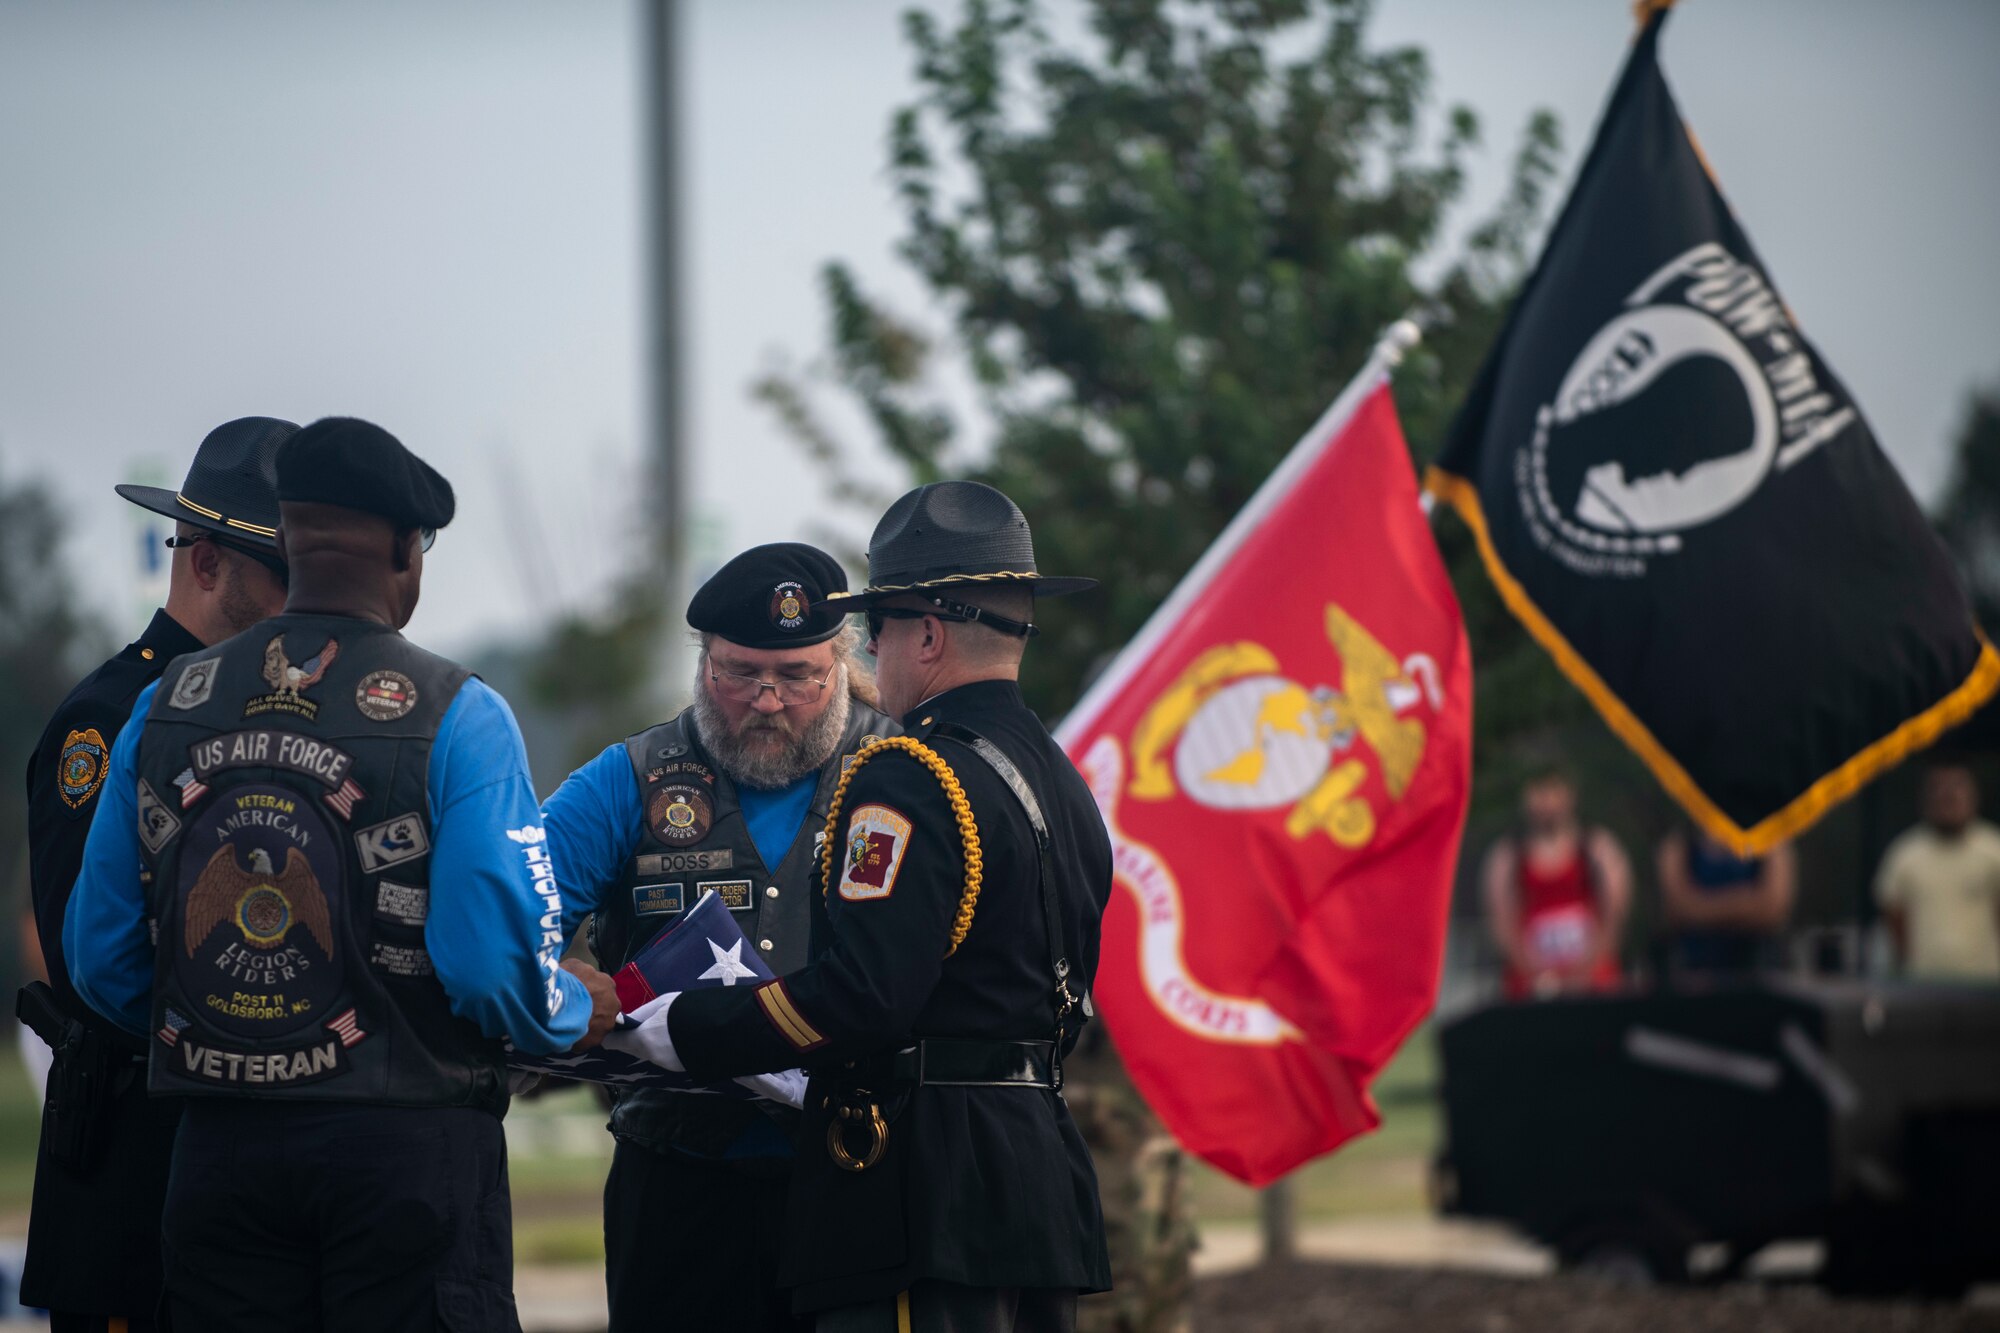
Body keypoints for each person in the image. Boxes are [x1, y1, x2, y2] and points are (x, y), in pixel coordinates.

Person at [64, 417, 619, 1332]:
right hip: (408, 1153)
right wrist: (568, 1007)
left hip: (217, 1154)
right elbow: (490, 968)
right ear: (407, 550)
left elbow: (101, 958)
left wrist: (233, 1039)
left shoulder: (168, 704)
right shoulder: (460, 713)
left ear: (284, 537)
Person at [613, 480, 1114, 1331]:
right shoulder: (1059, 775)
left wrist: (689, 1025)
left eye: (873, 629)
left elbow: (866, 996)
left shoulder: (908, 774)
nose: (869, 652)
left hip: (921, 1181)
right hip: (1032, 1166)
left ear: (924, 631)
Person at [540, 541, 898, 1333]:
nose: (766, 699)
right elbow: (515, 927)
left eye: (798, 675)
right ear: (704, 665)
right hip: (678, 1181)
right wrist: (570, 979)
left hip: (864, 1178)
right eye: (738, 672)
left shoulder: (904, 769)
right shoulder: (623, 779)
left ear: (841, 664)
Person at [20, 416, 296, 1333]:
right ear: (207, 560)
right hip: (132, 1180)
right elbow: (83, 958)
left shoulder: (282, 711)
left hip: (247, 1192)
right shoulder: (109, 717)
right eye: (282, 569)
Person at [1480, 768, 1631, 1000]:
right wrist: (1537, 973)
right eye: (1539, 792)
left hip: (1594, 978)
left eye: (1553, 791)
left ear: (1569, 795)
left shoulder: (1598, 847)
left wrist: (1584, 971)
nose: (1547, 802)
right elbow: (1501, 923)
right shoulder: (1508, 856)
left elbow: (1615, 913)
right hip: (1529, 981)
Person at [1874, 762, 2000, 981]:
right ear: (1927, 800)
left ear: (1973, 797)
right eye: (1940, 791)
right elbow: (1893, 912)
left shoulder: (1993, 849)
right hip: (1922, 983)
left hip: (1986, 984)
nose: (1948, 797)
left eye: (1956, 790)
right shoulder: (1905, 853)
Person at [1656, 827, 1795, 981]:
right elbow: (1677, 908)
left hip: (1760, 978)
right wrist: (1747, 902)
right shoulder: (1681, 844)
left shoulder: (1770, 840)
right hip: (1696, 979)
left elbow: (1772, 908)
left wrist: (1700, 907)